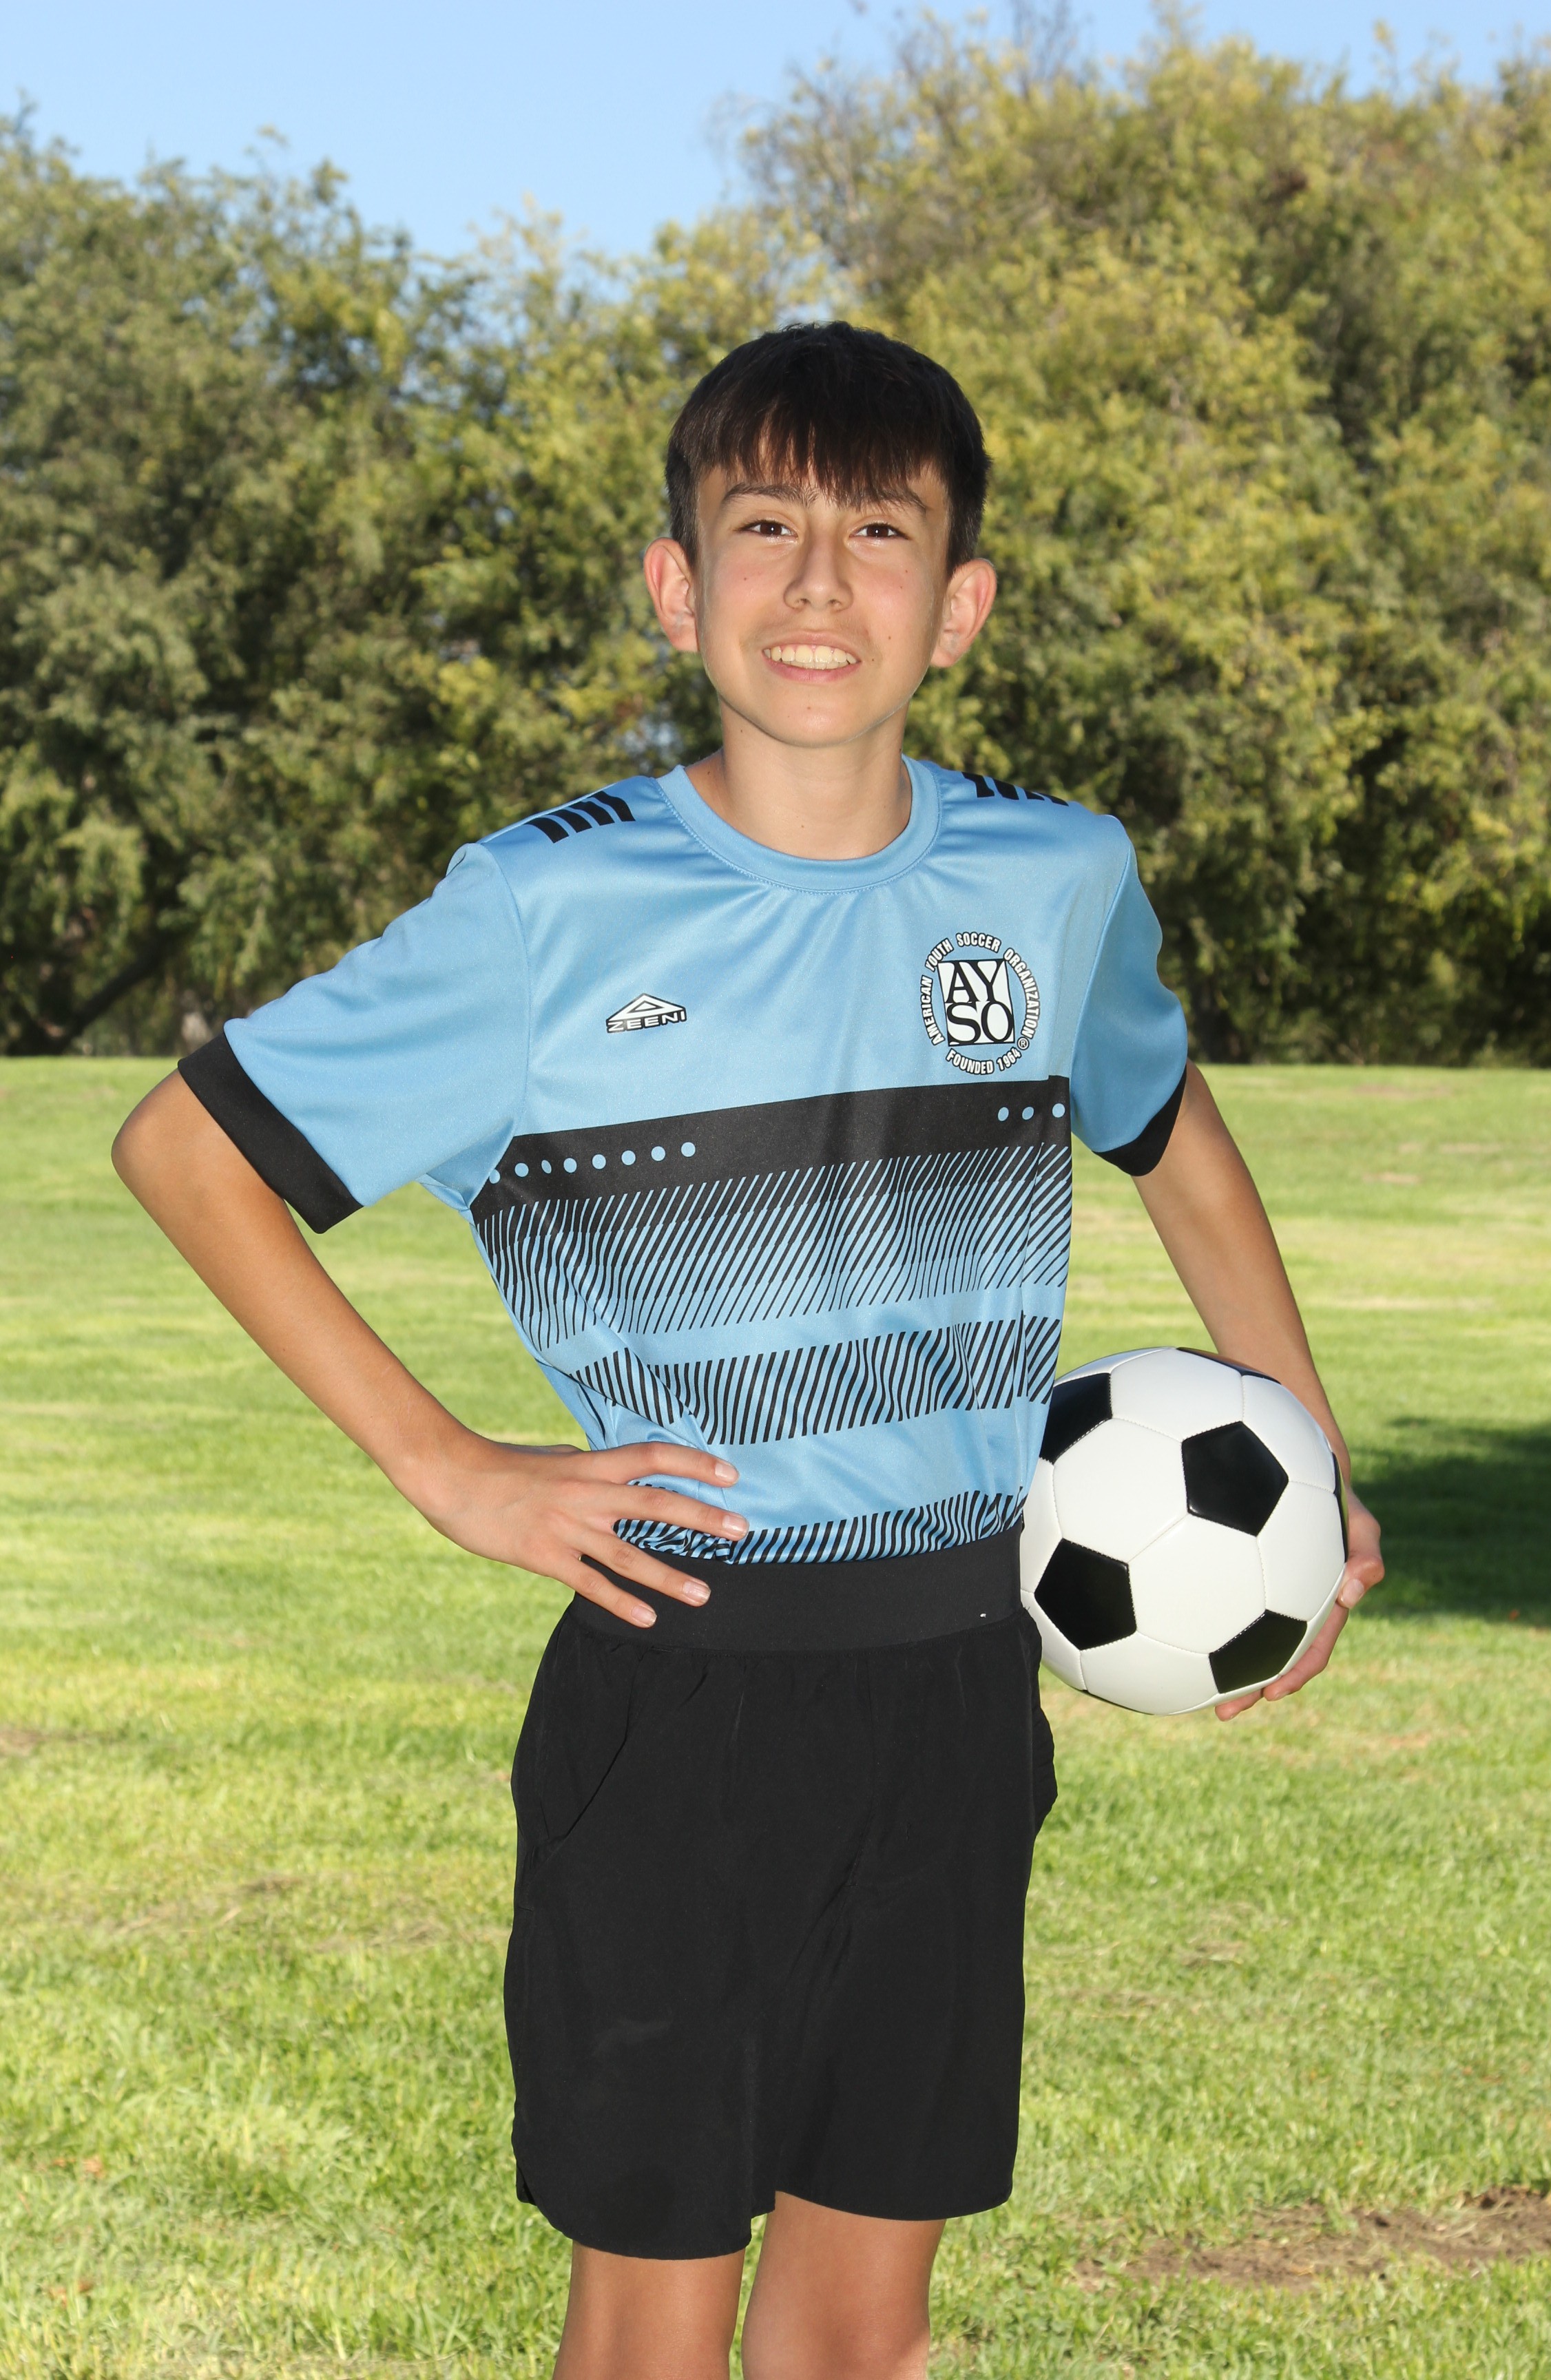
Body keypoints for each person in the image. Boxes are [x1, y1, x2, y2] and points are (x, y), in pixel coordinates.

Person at [113, 321, 1384, 2380]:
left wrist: (1304, 1459)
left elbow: (1174, 1135)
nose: (818, 584)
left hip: (960, 1683)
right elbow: (188, 1150)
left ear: (957, 604)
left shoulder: (1052, 878)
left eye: (881, 535)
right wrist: (450, 1467)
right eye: (765, 528)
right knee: (653, 2329)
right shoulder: (543, 916)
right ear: (676, 583)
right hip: (684, 1694)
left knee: (861, 2334)